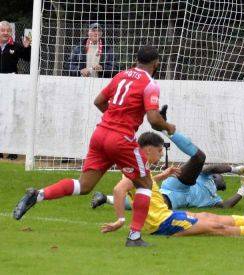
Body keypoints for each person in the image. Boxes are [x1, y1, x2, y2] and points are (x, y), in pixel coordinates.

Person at [13, 45, 176, 247]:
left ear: (136, 59)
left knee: (84, 186)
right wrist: (168, 126)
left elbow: (99, 101)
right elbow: (153, 119)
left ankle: (38, 195)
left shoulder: (121, 75)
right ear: (156, 63)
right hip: (121, 139)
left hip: (100, 134)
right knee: (145, 185)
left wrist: (114, 117)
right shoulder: (150, 84)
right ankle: (134, 237)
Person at [100, 132, 244, 238]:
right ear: (148, 150)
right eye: (160, 150)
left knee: (207, 215)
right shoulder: (136, 166)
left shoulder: (141, 166)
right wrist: (121, 220)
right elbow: (119, 189)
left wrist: (163, 175)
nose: (162, 154)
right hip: (161, 223)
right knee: (213, 227)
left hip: (166, 215)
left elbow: (139, 185)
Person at [91, 132, 244, 211]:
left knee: (147, 203)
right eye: (219, 174)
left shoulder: (215, 198)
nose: (218, 175)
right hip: (179, 184)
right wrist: (236, 169)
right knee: (199, 158)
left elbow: (226, 205)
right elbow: (210, 168)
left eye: (219, 176)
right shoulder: (206, 176)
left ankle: (105, 198)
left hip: (179, 199)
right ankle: (168, 130)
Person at [0, 20, 31, 160]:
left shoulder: (16, 46)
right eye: (2, 30)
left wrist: (27, 47)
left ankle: (13, 150)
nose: (5, 33)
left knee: (11, 117)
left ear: (11, 32)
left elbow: (28, 58)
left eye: (8, 30)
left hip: (12, 87)